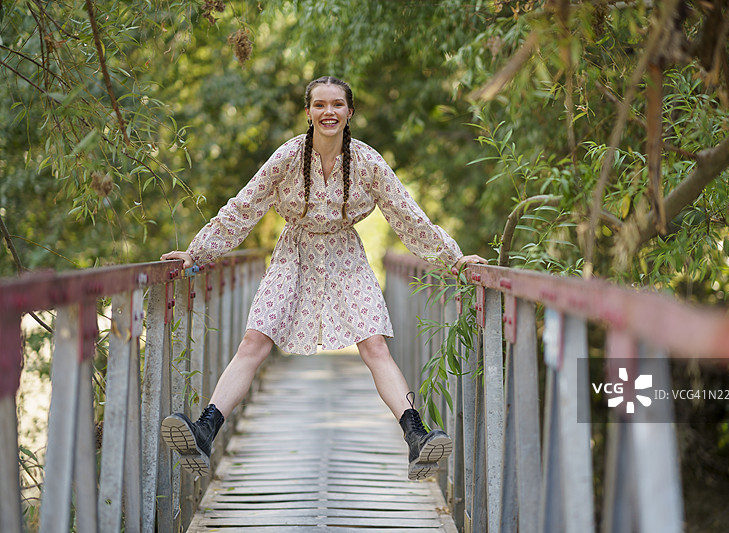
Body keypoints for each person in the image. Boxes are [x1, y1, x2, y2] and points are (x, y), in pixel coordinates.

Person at [159, 76, 487, 480]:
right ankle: (205, 430)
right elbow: (243, 208)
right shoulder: (288, 157)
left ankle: (417, 437)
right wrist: (198, 252)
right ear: (308, 112)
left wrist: (453, 260)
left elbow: (407, 216)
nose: (328, 111)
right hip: (293, 253)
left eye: (336, 104)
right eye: (319, 105)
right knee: (254, 340)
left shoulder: (367, 162)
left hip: (345, 256)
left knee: (375, 346)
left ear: (350, 112)